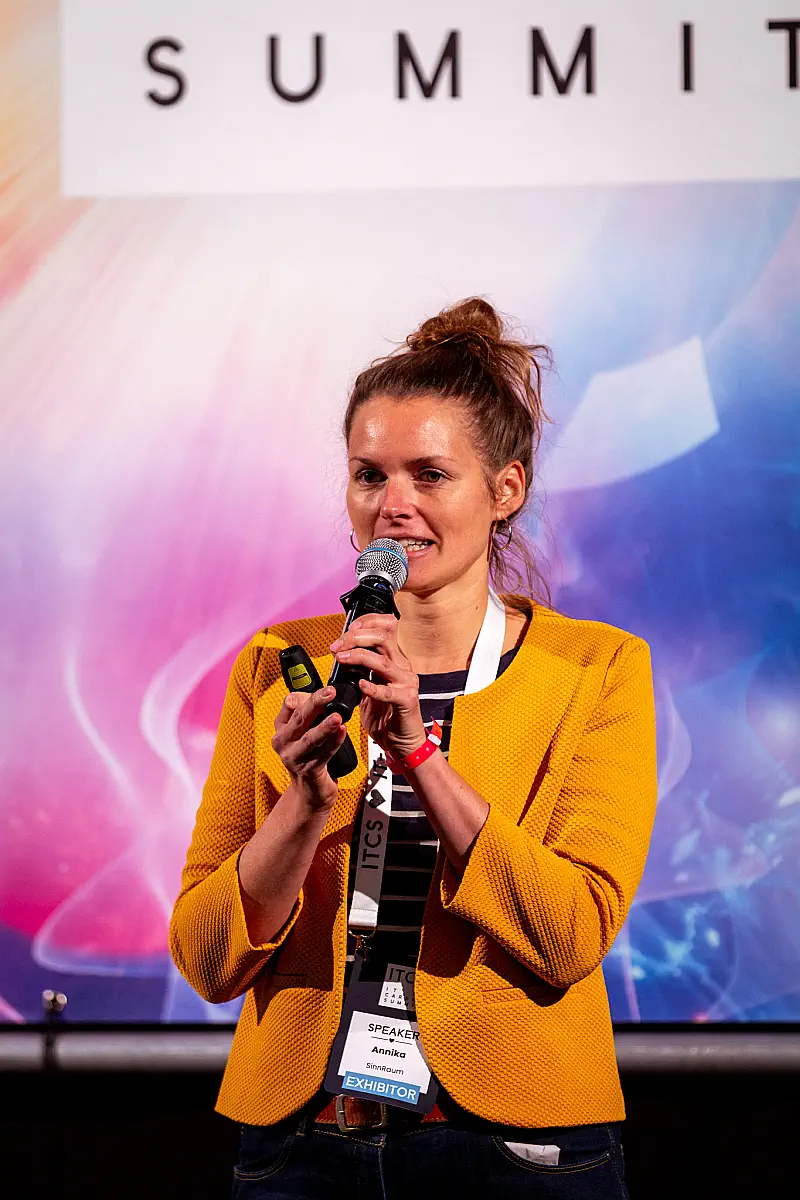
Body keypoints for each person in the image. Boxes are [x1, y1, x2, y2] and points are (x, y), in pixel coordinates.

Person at [169, 297, 658, 1198]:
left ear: (505, 490)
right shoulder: (280, 667)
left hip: (513, 1151)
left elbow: (570, 934)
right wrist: (304, 807)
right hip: (300, 1148)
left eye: (430, 474)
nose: (393, 507)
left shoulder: (594, 670)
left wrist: (419, 756)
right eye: (369, 475)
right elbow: (205, 957)